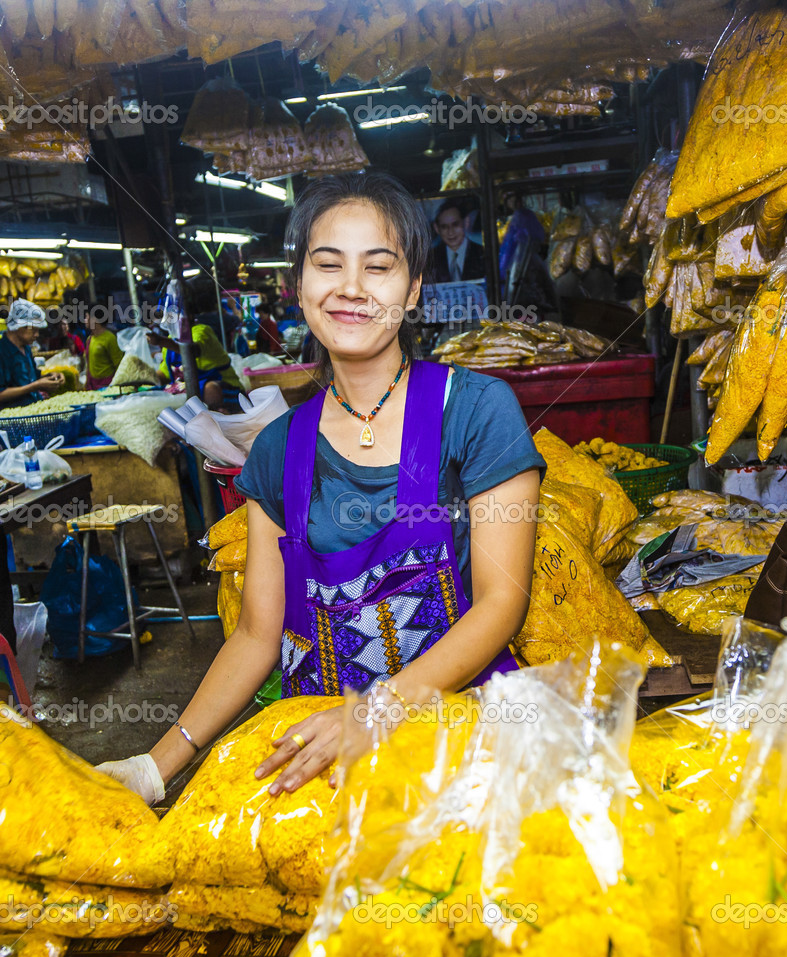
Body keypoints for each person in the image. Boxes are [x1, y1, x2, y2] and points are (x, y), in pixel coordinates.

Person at [97, 171, 545, 805]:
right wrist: (154, 765)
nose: (352, 289)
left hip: (466, 741)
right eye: (328, 264)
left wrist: (374, 714)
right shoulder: (279, 450)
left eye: (379, 267)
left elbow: (503, 602)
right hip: (322, 759)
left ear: (413, 288)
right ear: (299, 286)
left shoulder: (473, 410)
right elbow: (258, 633)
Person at [154, 321, 243, 412]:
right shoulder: (171, 339)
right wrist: (147, 377)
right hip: (184, 387)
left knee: (211, 390)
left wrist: (162, 341)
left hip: (223, 386)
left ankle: (220, 418)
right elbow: (165, 373)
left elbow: (192, 351)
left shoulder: (202, 331)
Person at [0, 299, 65, 406]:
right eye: (33, 330)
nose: (37, 335)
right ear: (19, 326)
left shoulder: (26, 348)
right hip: (13, 419)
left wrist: (51, 376)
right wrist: (35, 386)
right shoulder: (2, 351)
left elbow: (32, 376)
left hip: (33, 411)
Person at [431, 201, 486, 282]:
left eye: (455, 224)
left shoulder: (483, 254)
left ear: (466, 222)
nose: (450, 232)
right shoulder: (430, 259)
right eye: (444, 227)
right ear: (436, 229)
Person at [85, 312, 123, 389]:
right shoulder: (89, 339)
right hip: (93, 386)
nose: (85, 320)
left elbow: (119, 364)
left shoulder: (110, 338)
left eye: (86, 317)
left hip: (107, 385)